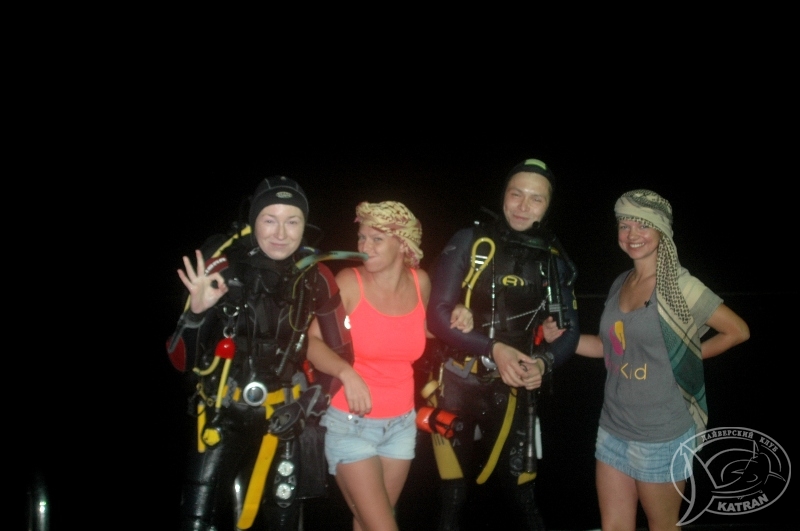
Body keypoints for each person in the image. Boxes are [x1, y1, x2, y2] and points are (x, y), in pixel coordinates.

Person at [545, 189, 750, 530]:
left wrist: (684, 359)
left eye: (643, 225)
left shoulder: (680, 287)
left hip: (661, 435)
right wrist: (564, 339)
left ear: (662, 230)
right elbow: (610, 348)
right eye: (624, 225)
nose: (632, 234)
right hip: (613, 427)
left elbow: (738, 331)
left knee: (663, 526)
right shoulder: (620, 283)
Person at [166, 175, 362, 531]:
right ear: (253, 221)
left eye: (292, 221)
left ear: (305, 226)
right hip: (222, 415)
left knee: (283, 522)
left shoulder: (317, 277)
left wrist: (309, 403)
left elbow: (342, 355)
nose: (281, 234)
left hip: (284, 417)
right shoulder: (222, 268)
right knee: (196, 521)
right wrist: (195, 314)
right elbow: (180, 361)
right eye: (270, 220)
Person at [424, 158, 580, 531]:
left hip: (512, 391)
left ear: (548, 206)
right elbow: (436, 317)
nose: (523, 206)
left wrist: (543, 363)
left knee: (521, 493)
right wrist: (492, 347)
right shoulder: (470, 241)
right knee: (452, 495)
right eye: (516, 194)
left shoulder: (552, 261)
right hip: (455, 383)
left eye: (536, 199)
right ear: (503, 196)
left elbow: (571, 333)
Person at [305, 200, 473, 531]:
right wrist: (347, 373)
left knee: (366, 523)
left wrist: (457, 314)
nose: (364, 246)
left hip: (401, 426)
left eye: (377, 239)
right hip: (351, 424)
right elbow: (312, 342)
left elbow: (425, 329)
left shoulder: (419, 282)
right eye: (362, 237)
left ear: (403, 243)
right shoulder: (349, 282)